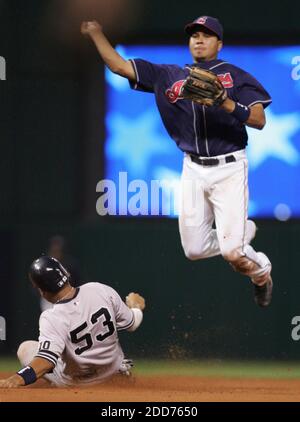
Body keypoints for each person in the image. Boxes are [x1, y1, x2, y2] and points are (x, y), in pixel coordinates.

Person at [80, 16, 273, 307]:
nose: (199, 39)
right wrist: (96, 33)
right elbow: (119, 66)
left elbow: (259, 120)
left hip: (230, 166)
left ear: (219, 44)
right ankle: (240, 232)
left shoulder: (236, 75)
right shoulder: (167, 75)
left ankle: (261, 273)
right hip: (193, 167)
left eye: (207, 35)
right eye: (194, 34)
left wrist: (226, 102)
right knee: (194, 250)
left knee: (234, 254)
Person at [0, 256, 145, 388]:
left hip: (77, 383)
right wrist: (136, 307)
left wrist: (17, 378)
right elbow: (133, 323)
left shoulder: (52, 317)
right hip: (112, 371)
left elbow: (46, 361)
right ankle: (120, 371)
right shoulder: (99, 289)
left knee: (25, 348)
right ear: (66, 274)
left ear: (42, 292)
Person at [40, 235, 82, 312]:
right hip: (49, 297)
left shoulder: (70, 264)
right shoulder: (43, 264)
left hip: (67, 296)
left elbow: (78, 282)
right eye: (54, 246)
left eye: (58, 246)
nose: (56, 248)